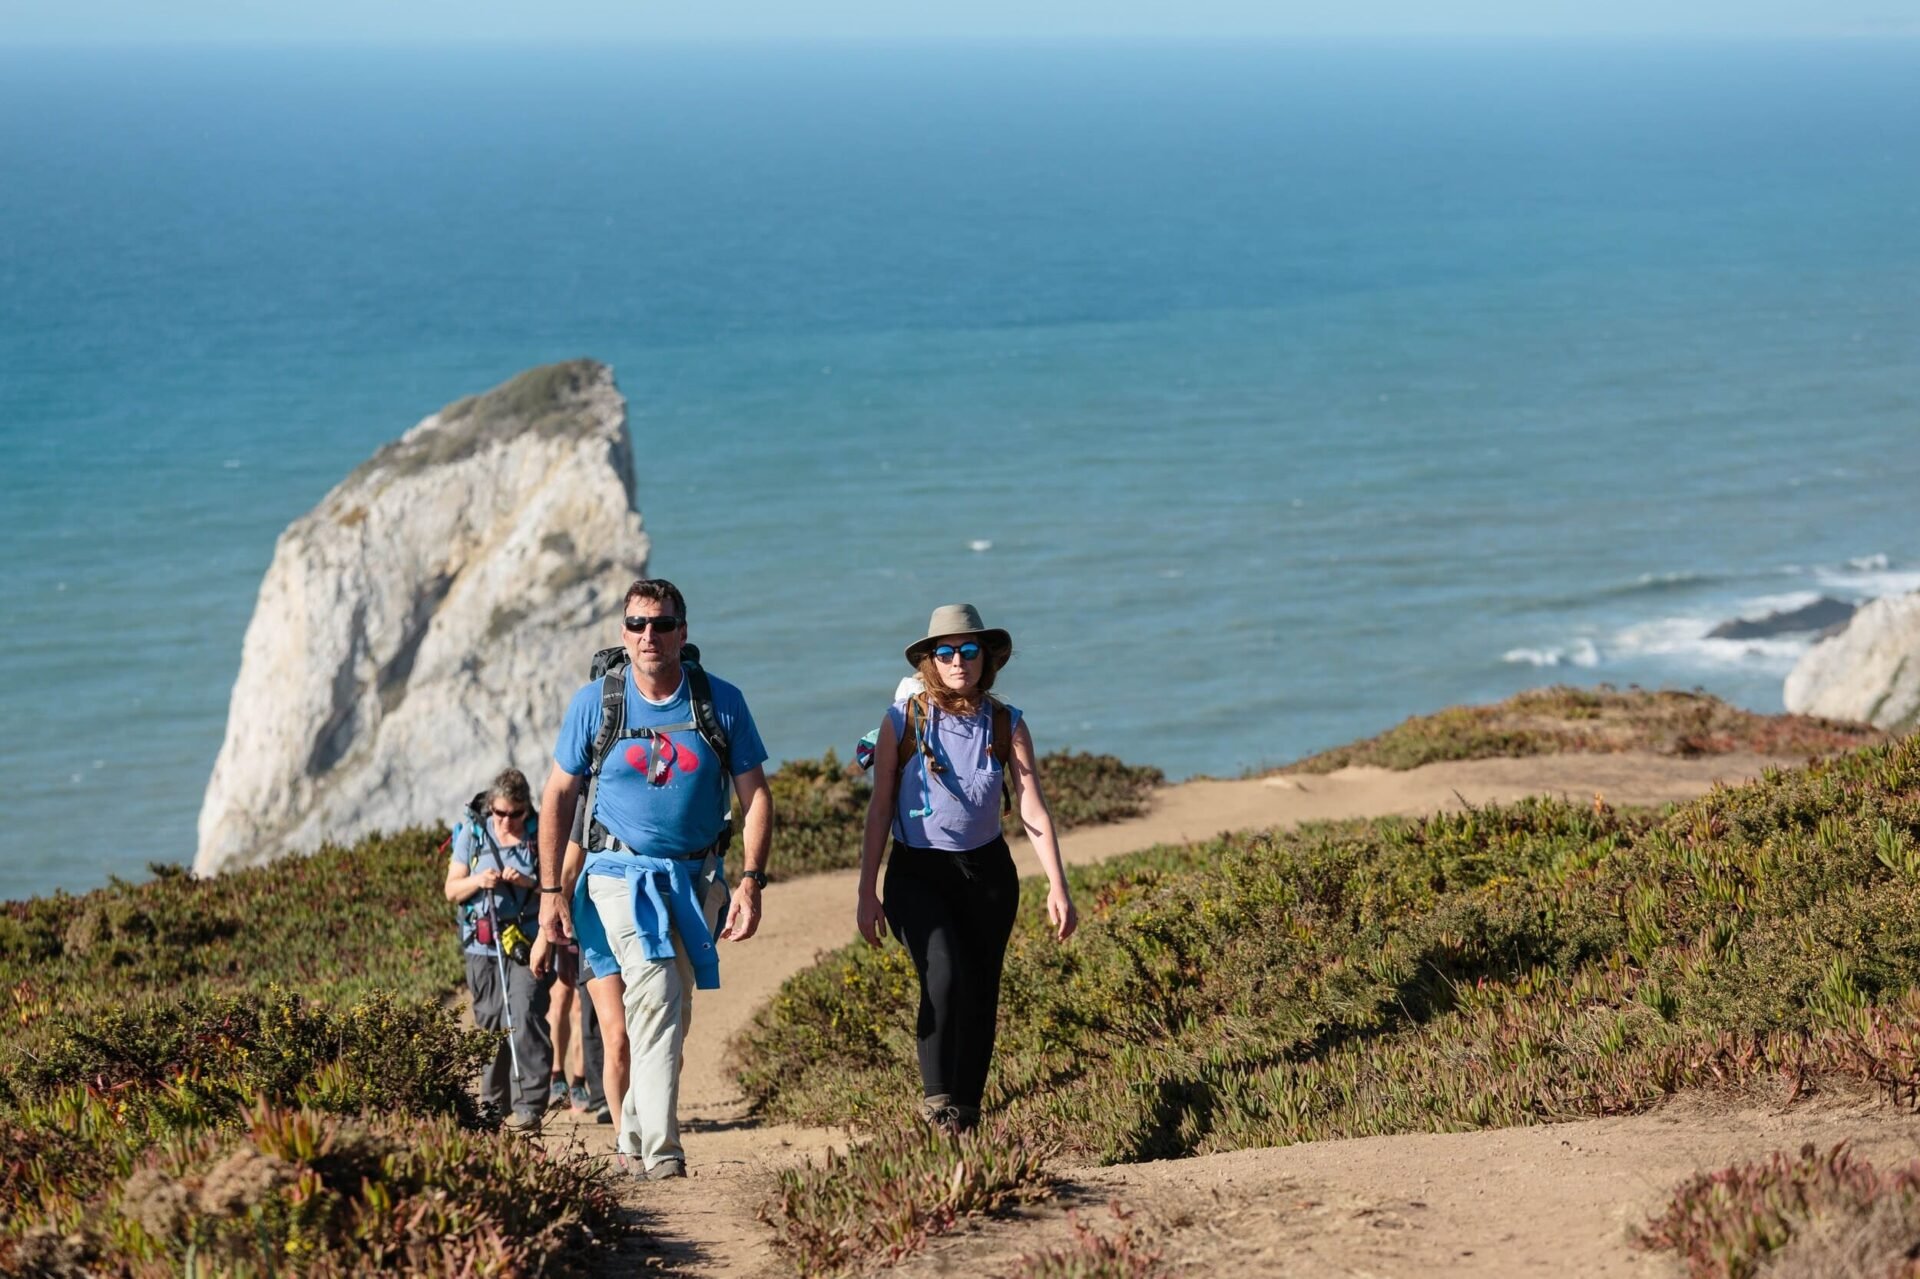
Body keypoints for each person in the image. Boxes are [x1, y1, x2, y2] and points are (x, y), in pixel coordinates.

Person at [533, 578, 773, 1181]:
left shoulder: (721, 702)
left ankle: (630, 1133)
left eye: (662, 624)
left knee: (672, 1011)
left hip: (697, 877)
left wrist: (750, 881)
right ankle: (664, 1153)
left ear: (682, 633)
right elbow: (558, 794)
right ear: (623, 632)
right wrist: (550, 893)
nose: (649, 636)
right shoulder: (596, 702)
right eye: (638, 624)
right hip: (616, 872)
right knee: (656, 989)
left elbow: (757, 795)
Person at [856, 605, 1077, 1134]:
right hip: (916, 873)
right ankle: (938, 1107)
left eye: (970, 650)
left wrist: (1057, 884)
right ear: (930, 660)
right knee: (944, 976)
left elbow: (1031, 806)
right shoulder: (902, 721)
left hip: (989, 875)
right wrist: (866, 891)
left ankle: (968, 1115)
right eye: (947, 652)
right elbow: (880, 808)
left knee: (982, 988)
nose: (959, 661)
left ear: (985, 658)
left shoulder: (1006, 723)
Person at [446, 768, 554, 1129]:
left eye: (516, 814)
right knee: (490, 1021)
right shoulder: (473, 834)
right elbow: (452, 890)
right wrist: (479, 880)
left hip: (527, 942)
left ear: (527, 810)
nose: (507, 821)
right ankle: (493, 1104)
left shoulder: (540, 837)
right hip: (482, 945)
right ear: (490, 807)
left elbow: (555, 891)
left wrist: (527, 882)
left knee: (525, 1014)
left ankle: (530, 1104)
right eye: (500, 813)